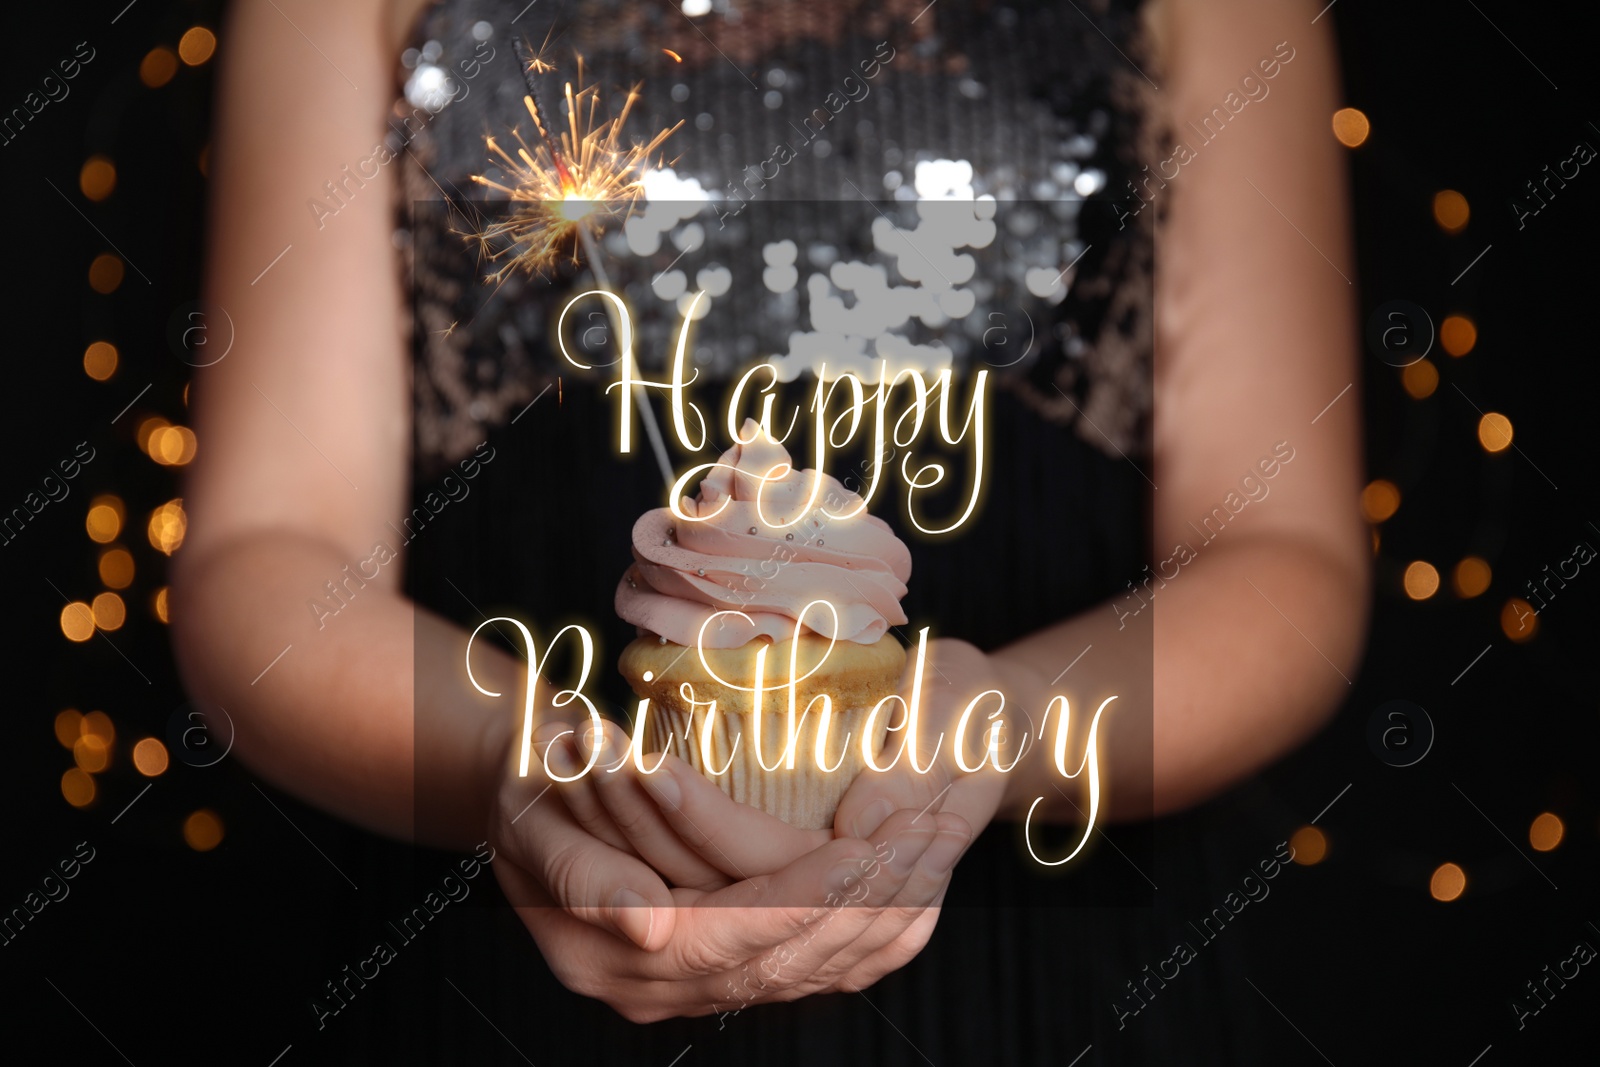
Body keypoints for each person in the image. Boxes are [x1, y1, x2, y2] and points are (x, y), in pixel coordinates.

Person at [173, 0, 1367, 1059]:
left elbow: (1281, 557)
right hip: (490, 966)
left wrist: (996, 728)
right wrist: (520, 762)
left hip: (1061, 977)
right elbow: (269, 553)